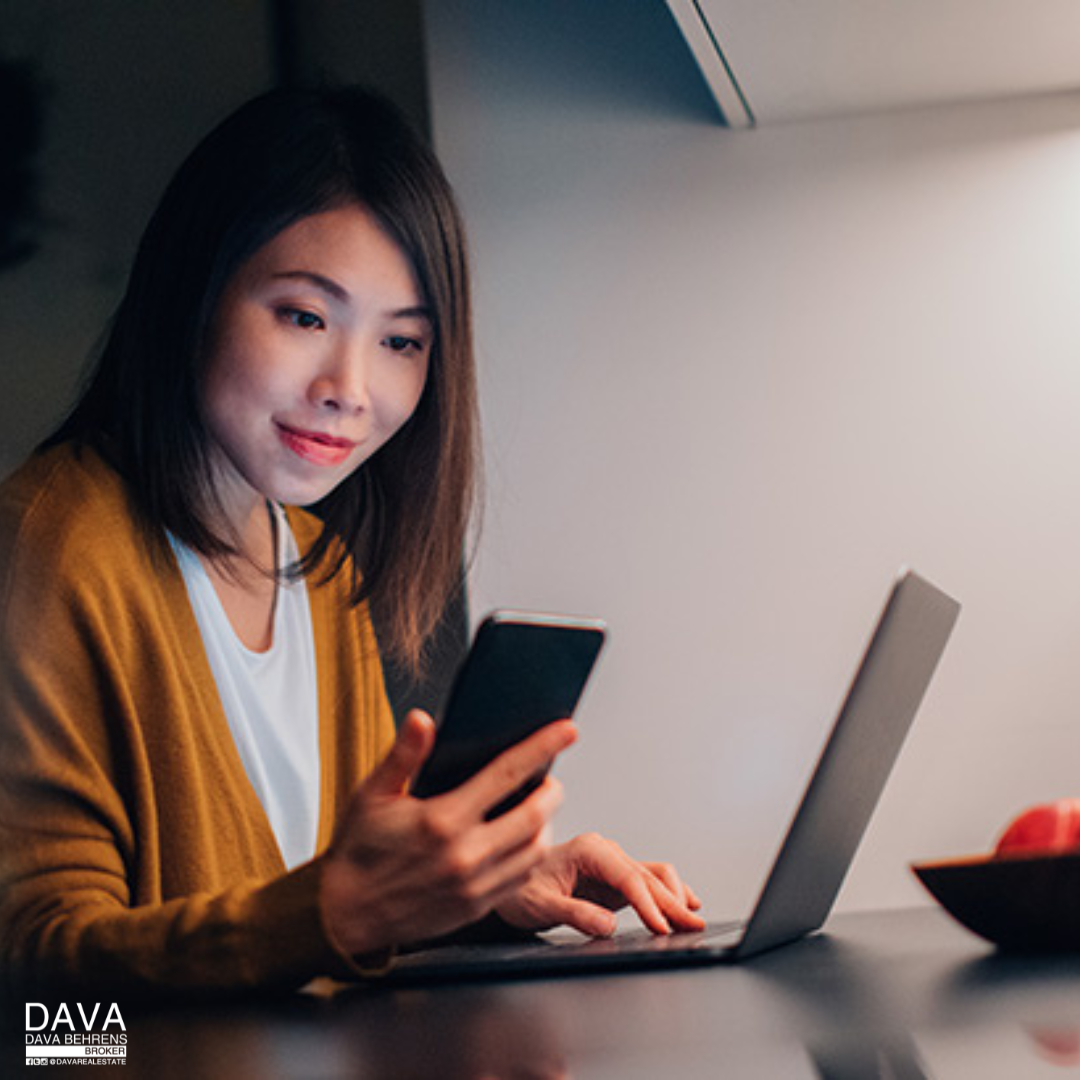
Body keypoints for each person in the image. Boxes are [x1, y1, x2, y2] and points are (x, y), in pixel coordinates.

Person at [0, 85, 703, 998]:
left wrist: (478, 896)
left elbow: (330, 924)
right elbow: (41, 1012)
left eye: (403, 343)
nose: (351, 387)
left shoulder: (319, 572)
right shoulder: (50, 550)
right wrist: (347, 916)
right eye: (304, 317)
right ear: (192, 293)